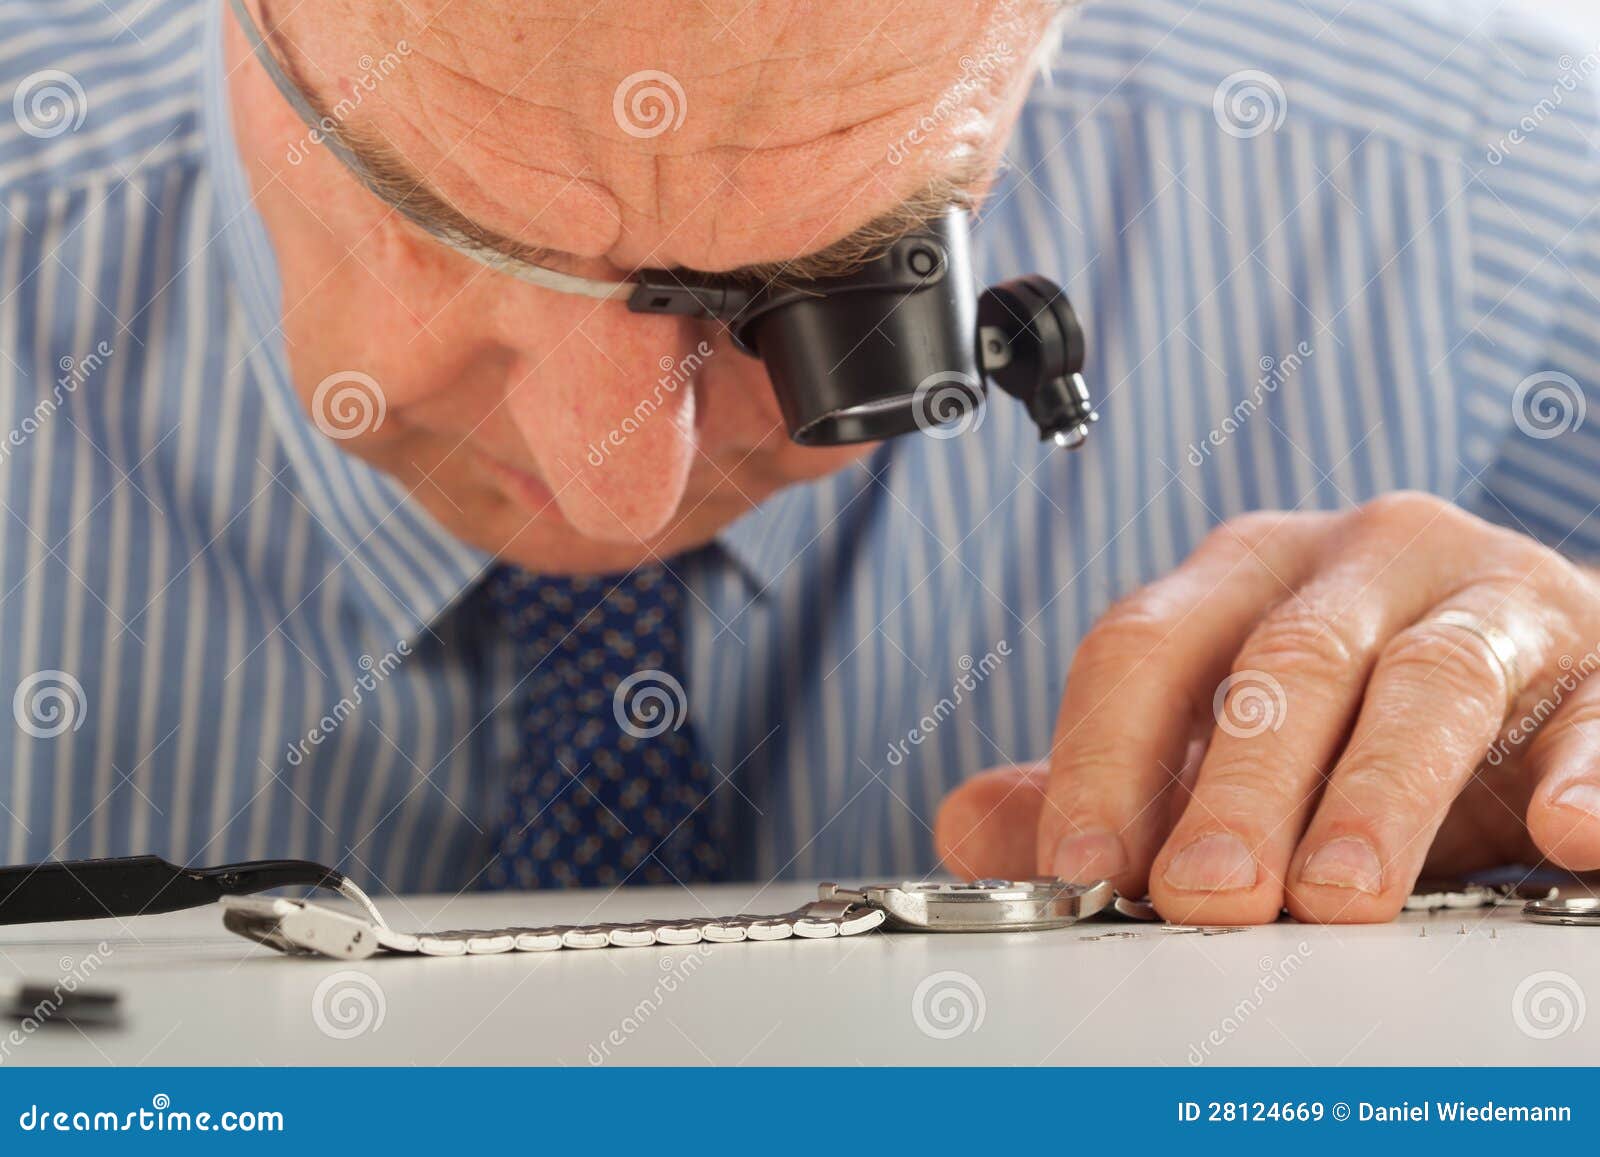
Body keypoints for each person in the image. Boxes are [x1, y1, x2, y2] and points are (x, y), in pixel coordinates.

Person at [1, 0, 1597, 924]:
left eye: (850, 290)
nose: (617, 489)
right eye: (442, 228)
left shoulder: (1505, 203)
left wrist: (1551, 791)